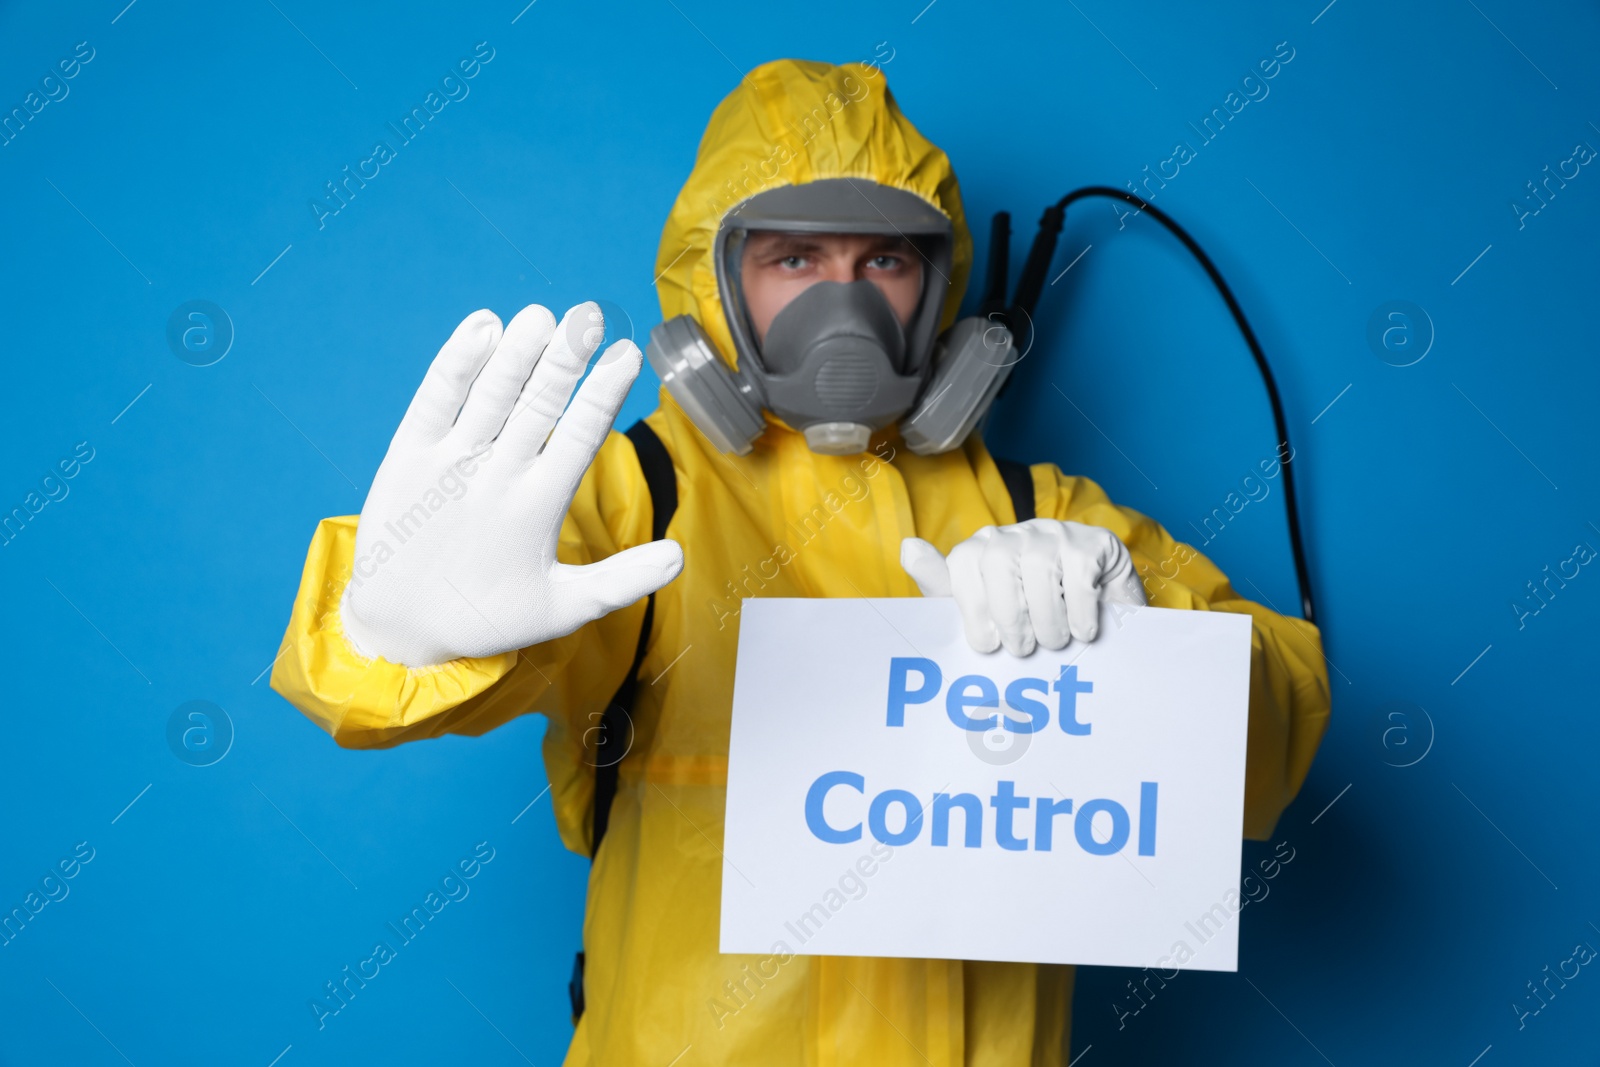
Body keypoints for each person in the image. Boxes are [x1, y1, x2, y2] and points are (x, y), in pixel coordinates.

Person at [271, 57, 1330, 1066]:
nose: (846, 305)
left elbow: (1271, 753)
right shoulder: (636, 502)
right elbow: (377, 678)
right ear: (714, 280)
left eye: (884, 260)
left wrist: (1143, 647)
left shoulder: (1041, 514)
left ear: (941, 287)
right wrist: (387, 630)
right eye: (792, 259)